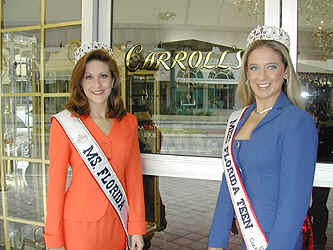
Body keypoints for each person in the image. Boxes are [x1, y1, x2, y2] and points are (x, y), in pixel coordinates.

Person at [208, 25, 318, 250]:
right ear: (246, 74)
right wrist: (216, 242)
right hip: (248, 239)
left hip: (280, 242)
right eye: (254, 68)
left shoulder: (297, 122)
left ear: (285, 71)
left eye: (271, 67)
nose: (262, 76)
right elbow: (229, 184)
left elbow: (294, 204)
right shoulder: (238, 119)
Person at [44, 41, 147, 250]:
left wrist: (136, 227)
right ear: (80, 82)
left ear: (113, 80)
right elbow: (55, 186)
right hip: (78, 228)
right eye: (88, 77)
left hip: (118, 223)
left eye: (103, 76)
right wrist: (54, 240)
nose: (97, 85)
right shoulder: (64, 124)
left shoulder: (128, 123)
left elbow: (134, 178)